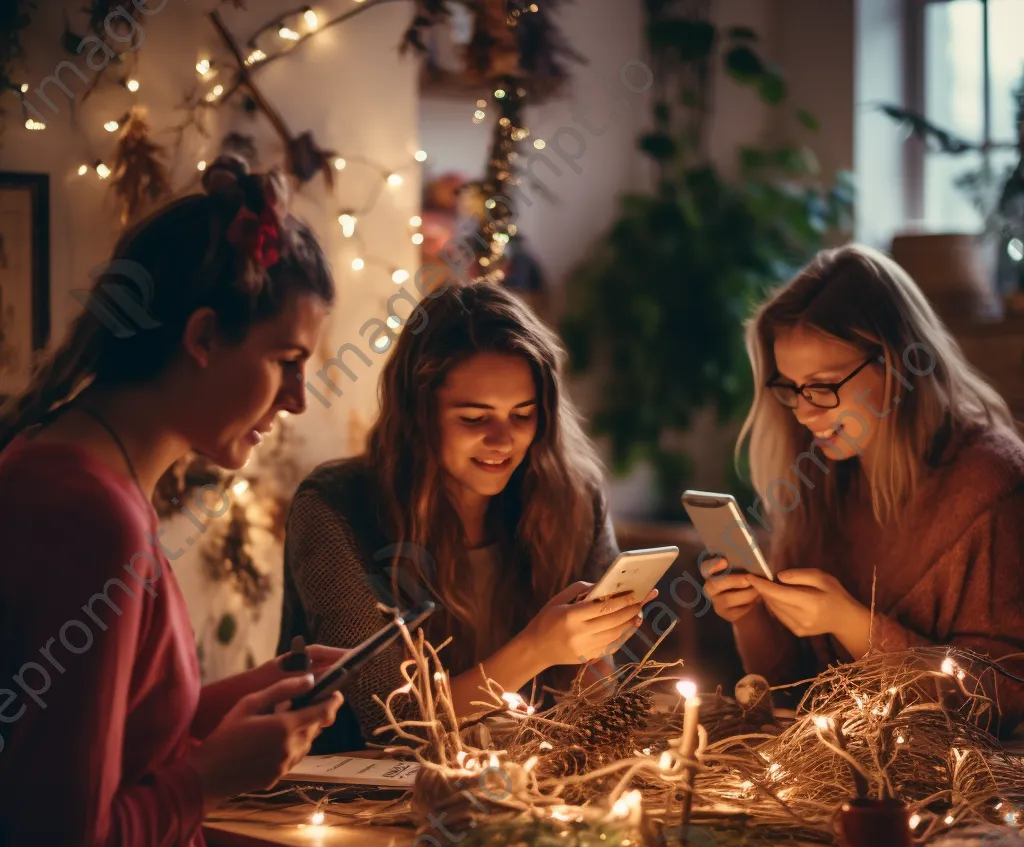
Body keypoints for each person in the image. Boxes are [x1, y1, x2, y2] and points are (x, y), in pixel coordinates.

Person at [0, 156, 488, 847]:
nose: (299, 399)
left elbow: (85, 740)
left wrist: (256, 689)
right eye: (287, 360)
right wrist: (211, 780)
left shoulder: (59, 467)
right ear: (200, 338)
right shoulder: (94, 519)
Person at [279, 280, 654, 751]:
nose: (502, 441)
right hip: (350, 800)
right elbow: (392, 721)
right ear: (419, 415)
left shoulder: (571, 499)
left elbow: (598, 700)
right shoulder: (336, 507)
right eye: (474, 419)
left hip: (529, 794)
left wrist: (595, 654)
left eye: (523, 415)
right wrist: (537, 648)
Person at [701, 243, 1024, 736]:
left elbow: (1004, 698)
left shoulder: (990, 484)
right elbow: (792, 691)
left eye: (824, 384)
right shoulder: (821, 478)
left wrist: (853, 625)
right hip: (829, 772)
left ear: (897, 365)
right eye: (789, 386)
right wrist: (750, 615)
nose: (805, 412)